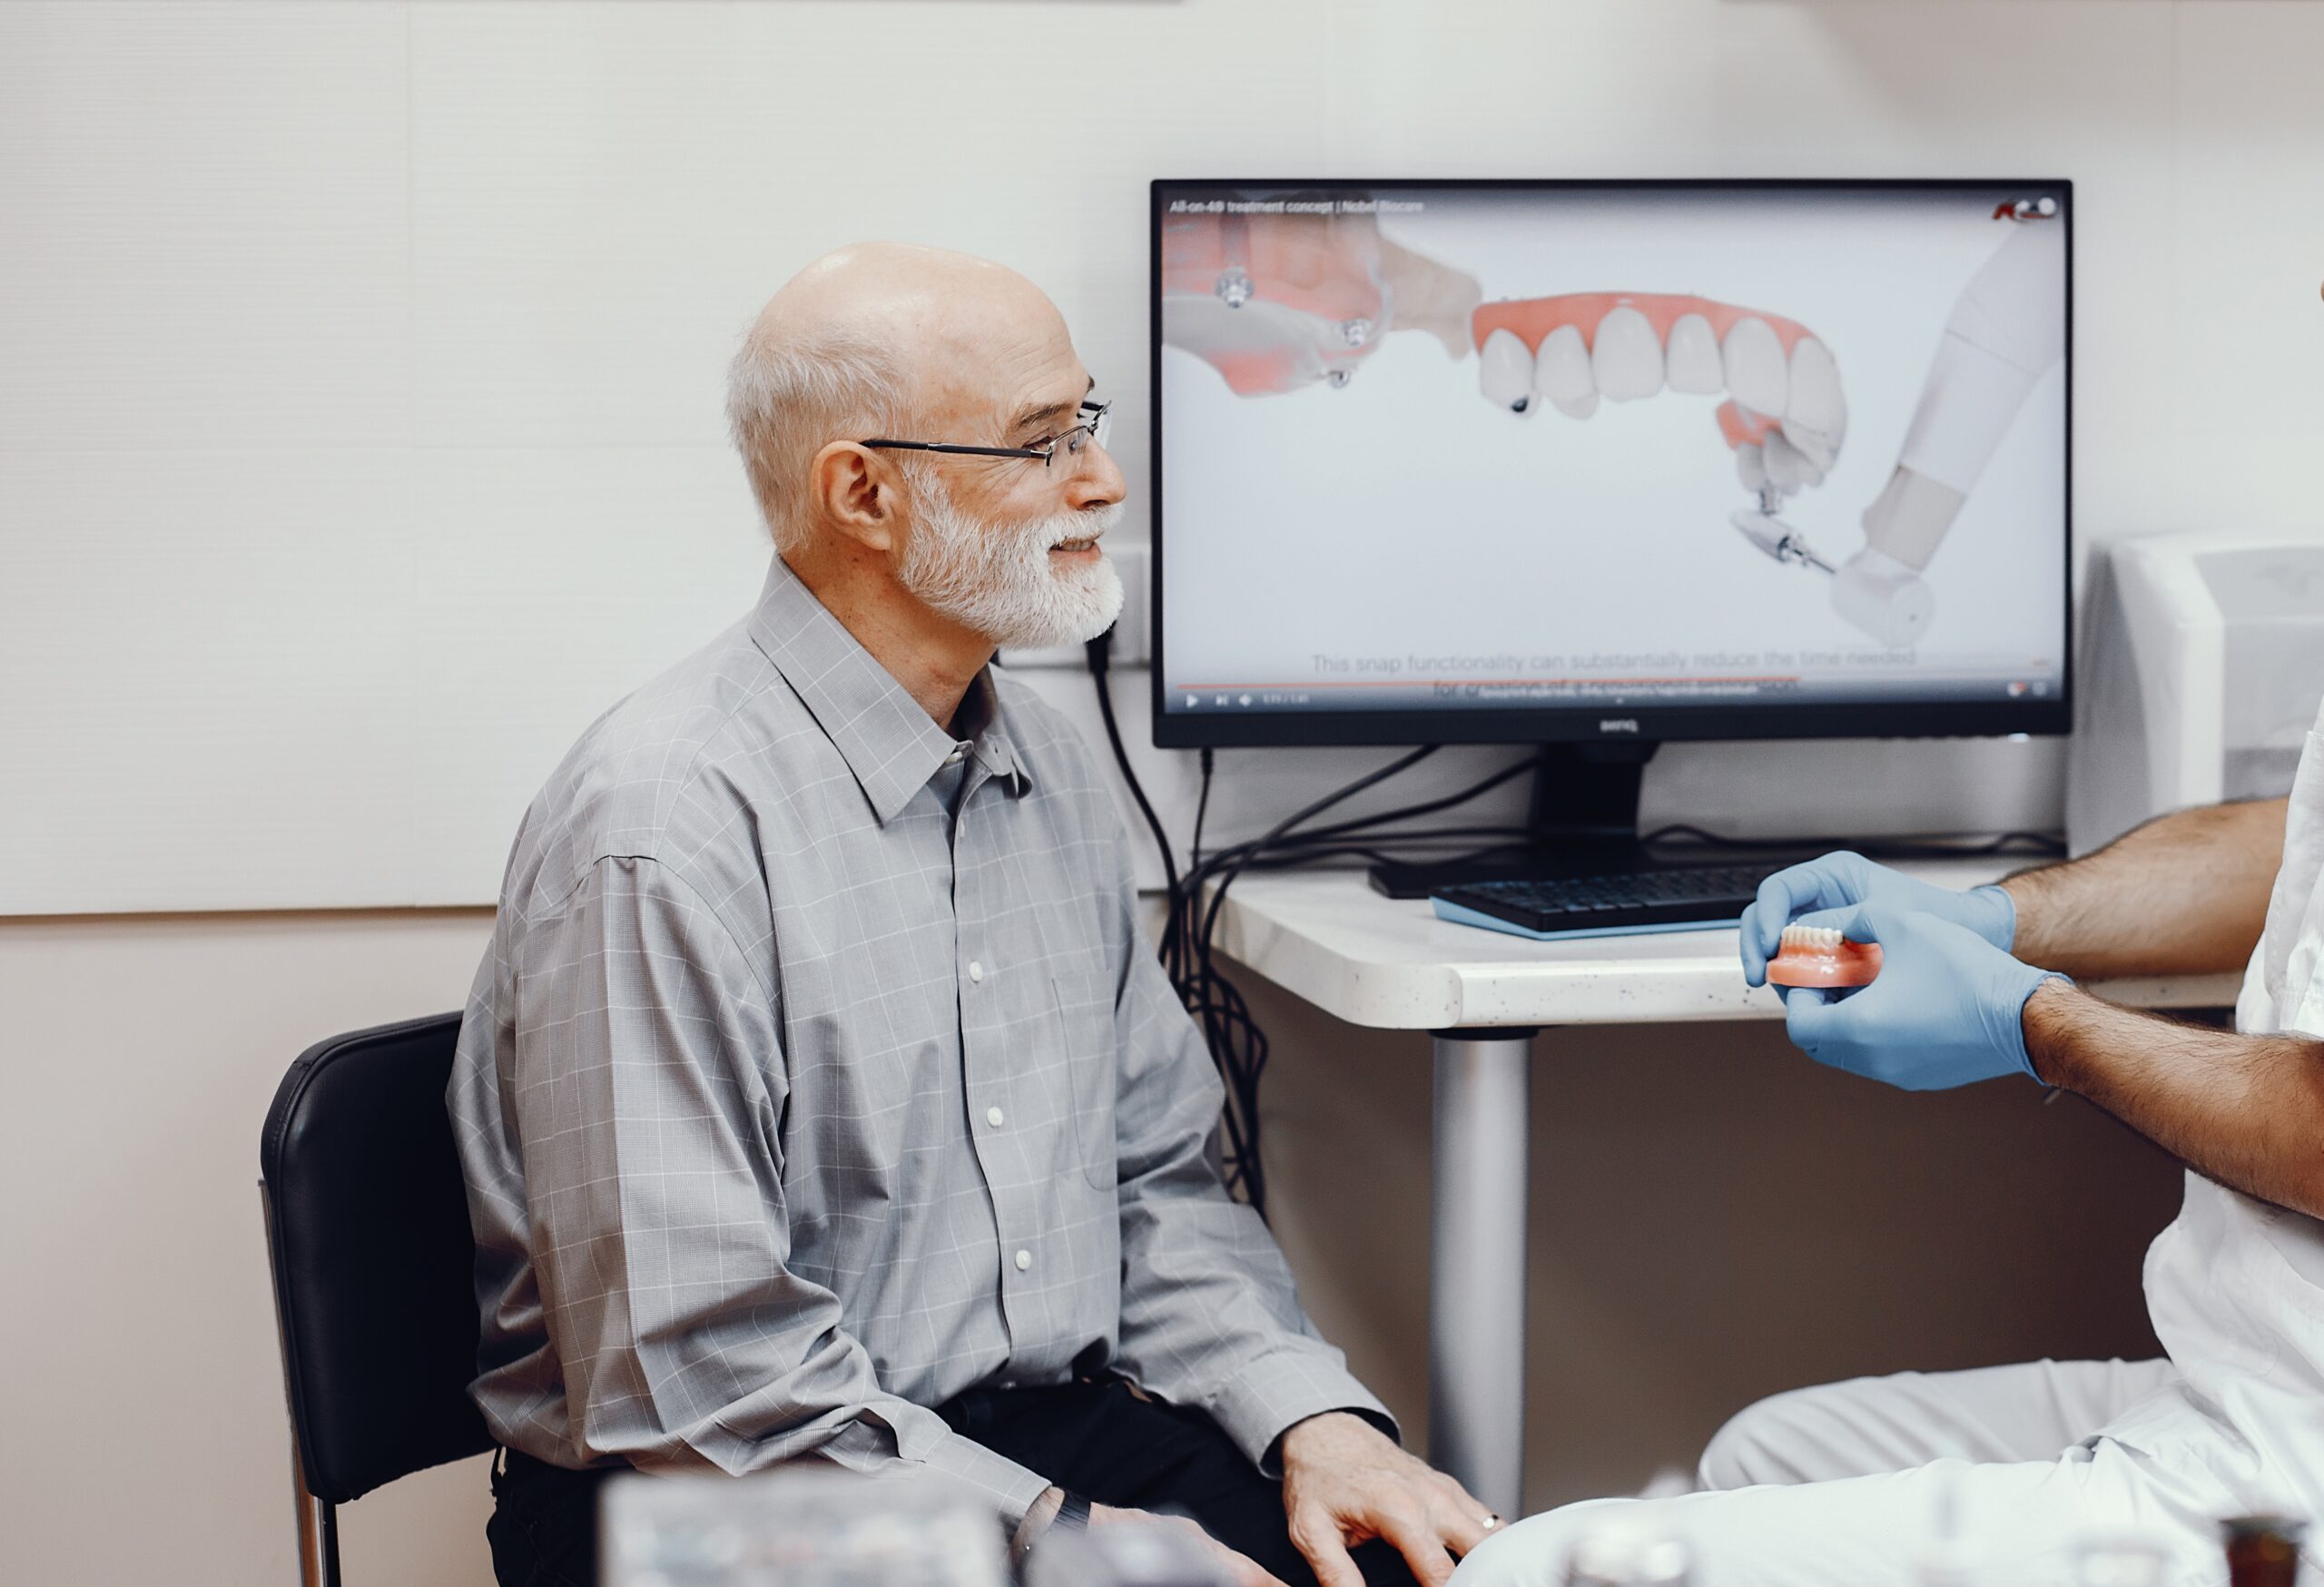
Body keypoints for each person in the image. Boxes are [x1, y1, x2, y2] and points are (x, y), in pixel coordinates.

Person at [448, 242, 1495, 1587]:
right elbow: (693, 1375)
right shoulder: (662, 829)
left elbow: (1155, 1191)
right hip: (717, 1490)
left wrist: (1313, 1420)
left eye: (1088, 425)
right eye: (1041, 444)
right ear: (865, 493)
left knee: (1404, 1571)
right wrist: (1052, 1545)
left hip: (1026, 1440)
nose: (1104, 483)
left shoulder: (1050, 773)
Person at [1454, 745, 2324, 1586]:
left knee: (1528, 1572)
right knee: (1763, 1454)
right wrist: (1991, 917)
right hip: (2248, 1368)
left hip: (2292, 1468)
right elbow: (2296, 845)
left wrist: (2037, 1025)